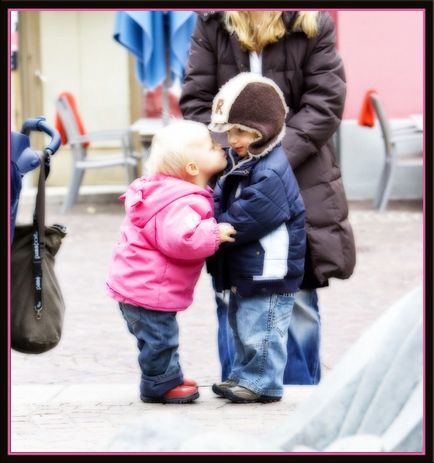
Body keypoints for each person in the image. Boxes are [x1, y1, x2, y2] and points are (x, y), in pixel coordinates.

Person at [180, 11, 356, 385]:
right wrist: (236, 153)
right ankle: (240, 392)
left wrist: (269, 161)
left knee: (299, 301)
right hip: (232, 178)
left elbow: (324, 104)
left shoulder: (312, 23)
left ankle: (298, 399)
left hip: (301, 177)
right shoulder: (212, 23)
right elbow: (198, 103)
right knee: (232, 295)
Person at [106, 120, 236, 404]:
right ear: (192, 168)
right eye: (212, 146)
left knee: (158, 336)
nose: (221, 146)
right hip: (146, 289)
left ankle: (168, 376)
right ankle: (159, 385)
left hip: (138, 285)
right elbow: (181, 239)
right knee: (160, 339)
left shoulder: (166, 193)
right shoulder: (181, 201)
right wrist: (213, 233)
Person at [207, 73, 306, 403]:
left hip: (269, 269)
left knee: (261, 329)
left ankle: (262, 382)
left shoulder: (271, 171)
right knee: (241, 324)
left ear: (263, 130)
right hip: (250, 266)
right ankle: (243, 375)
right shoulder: (247, 163)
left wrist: (213, 228)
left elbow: (247, 218)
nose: (231, 138)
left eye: (240, 131)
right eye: (229, 130)